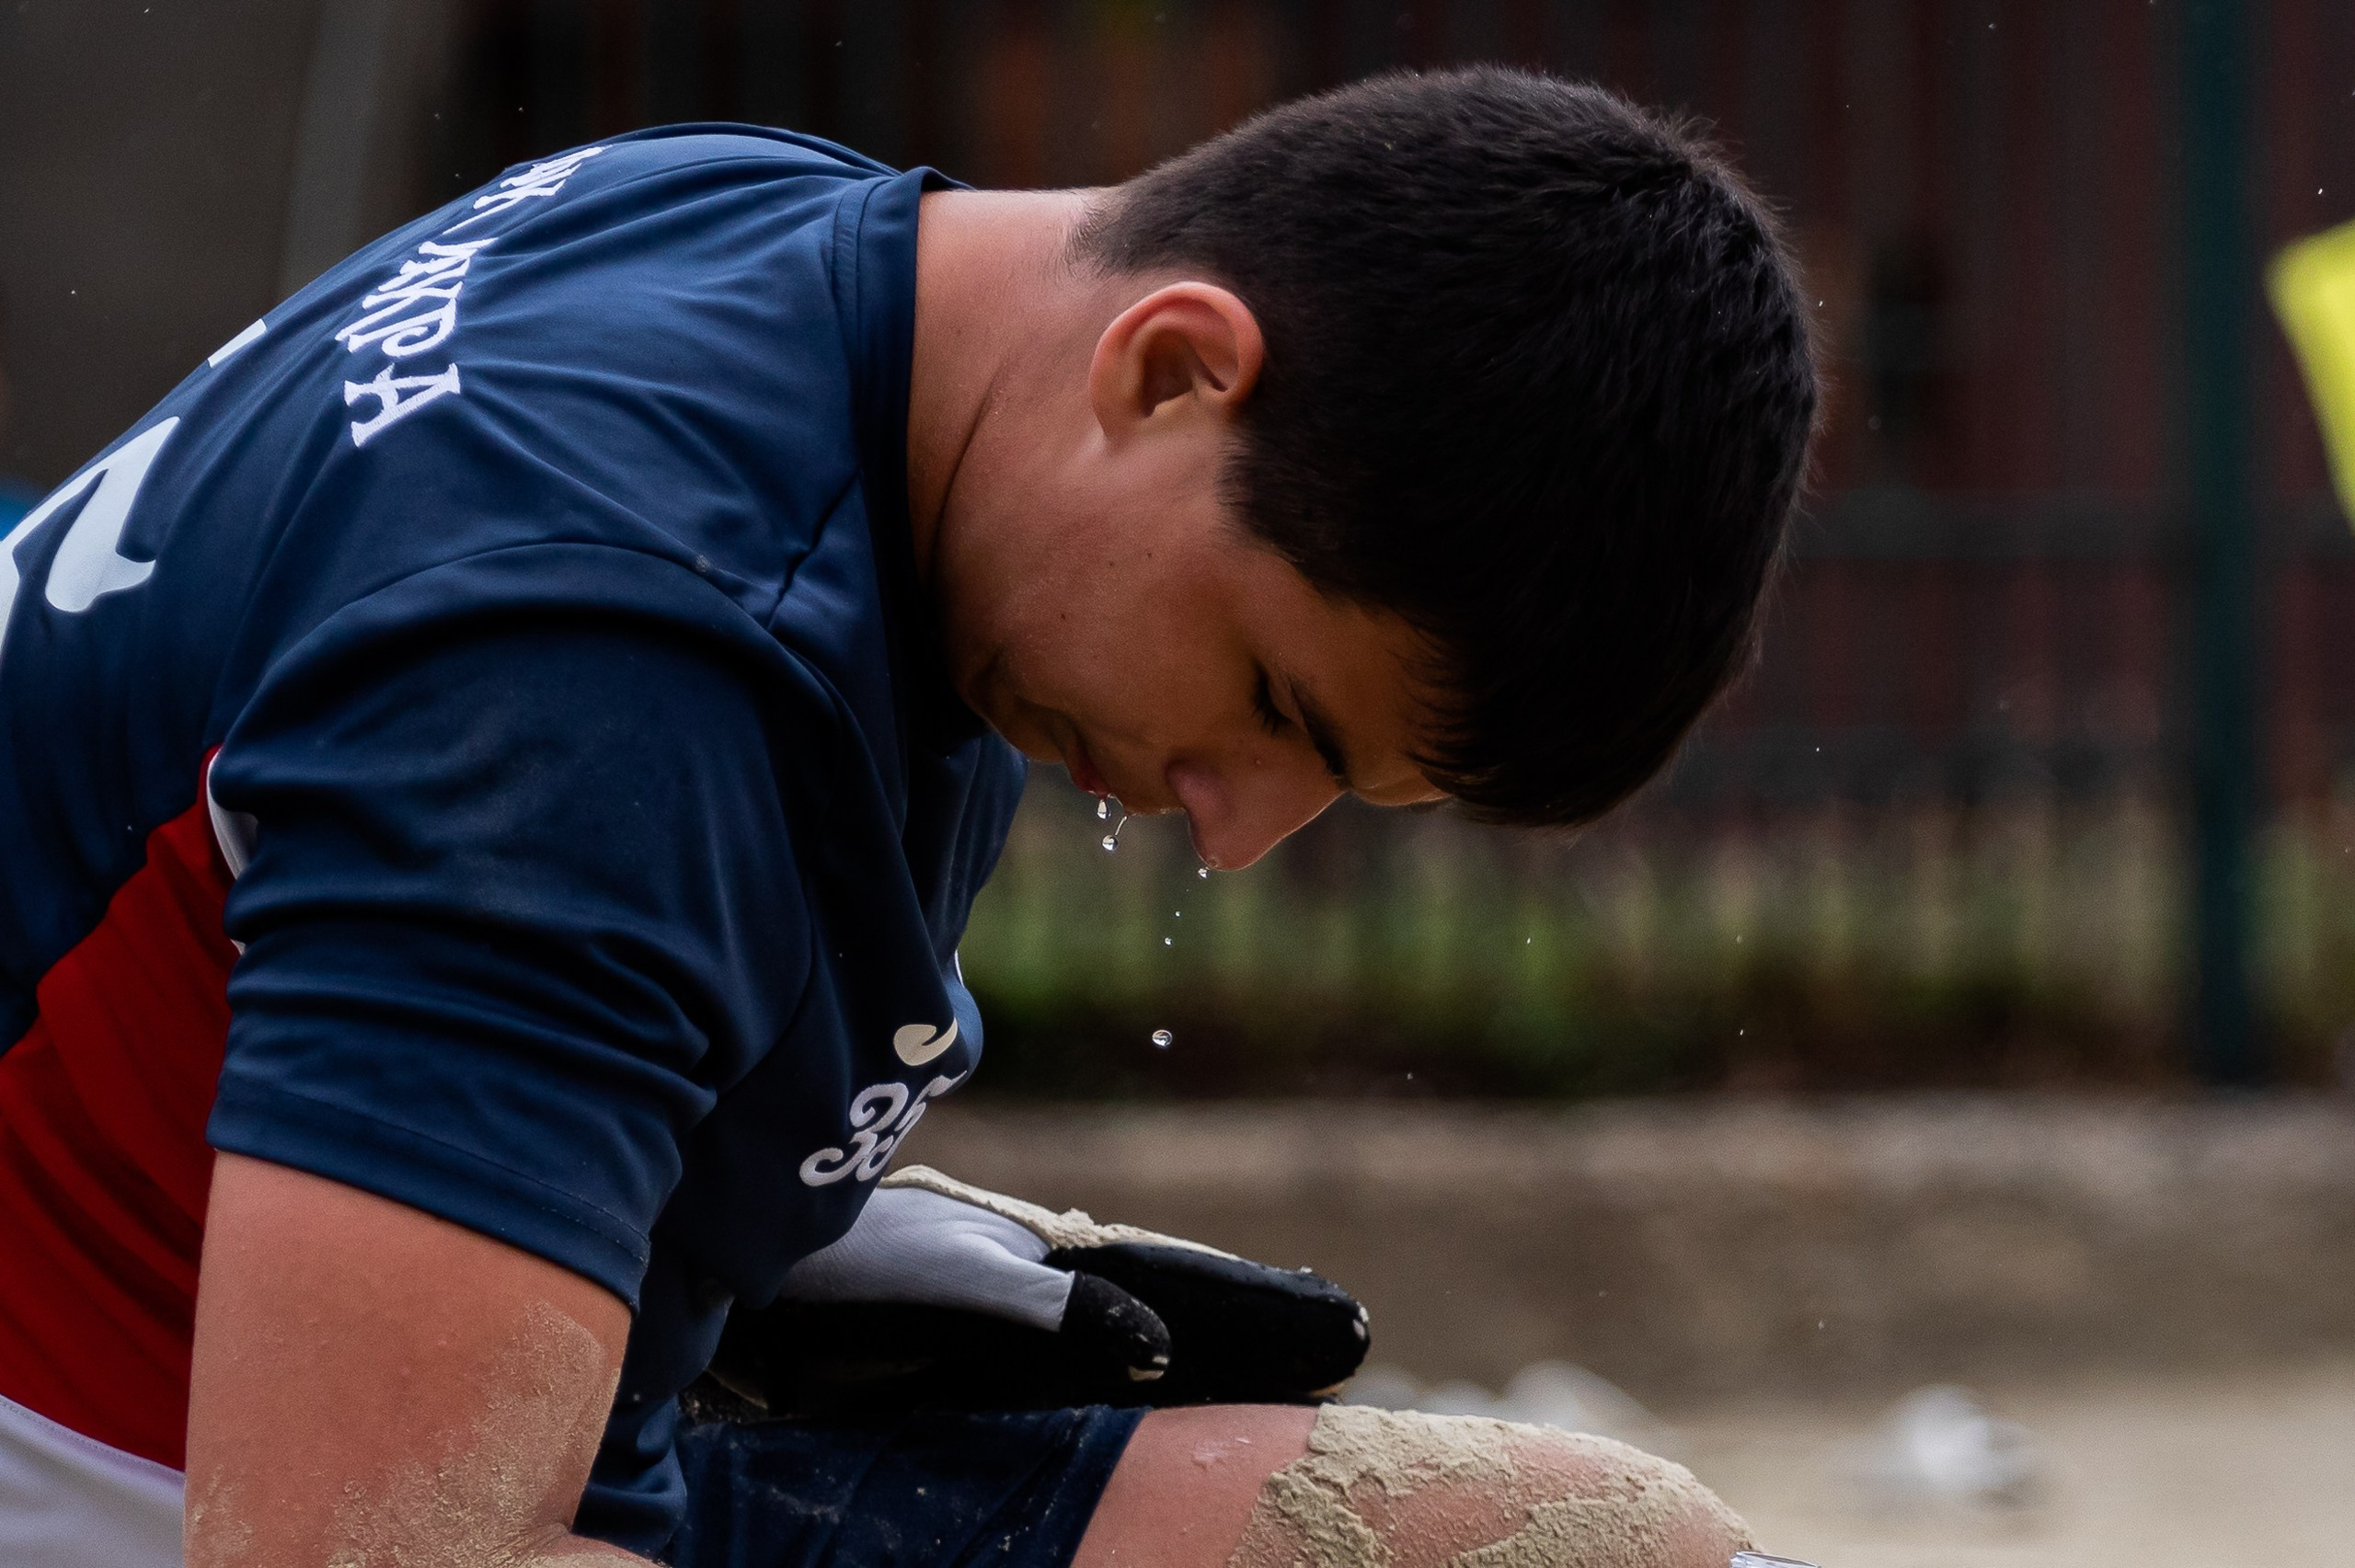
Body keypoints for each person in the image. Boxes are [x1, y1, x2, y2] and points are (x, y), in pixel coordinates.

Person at [0, 66, 1814, 1568]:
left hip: (247, 1399)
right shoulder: (602, 667)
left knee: (1603, 1548)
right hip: (166, 1482)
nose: (1234, 829)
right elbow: (353, 1554)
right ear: (1168, 370)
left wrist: (704, 1228)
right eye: (1275, 701)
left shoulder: (744, 230)